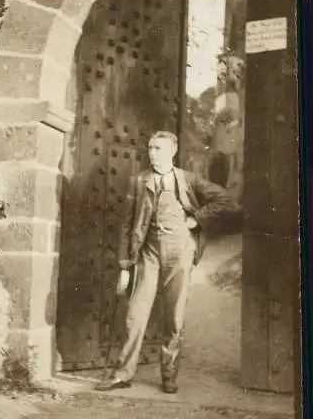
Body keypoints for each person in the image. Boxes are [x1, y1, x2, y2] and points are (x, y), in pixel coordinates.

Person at [95, 131, 241, 393]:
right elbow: (127, 225)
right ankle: (122, 374)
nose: (152, 152)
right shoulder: (139, 181)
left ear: (172, 151)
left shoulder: (187, 179)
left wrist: (197, 217)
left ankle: (168, 375)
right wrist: (125, 264)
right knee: (135, 316)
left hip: (180, 252)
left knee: (174, 317)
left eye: (158, 148)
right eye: (150, 147)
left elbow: (226, 200)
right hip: (148, 254)